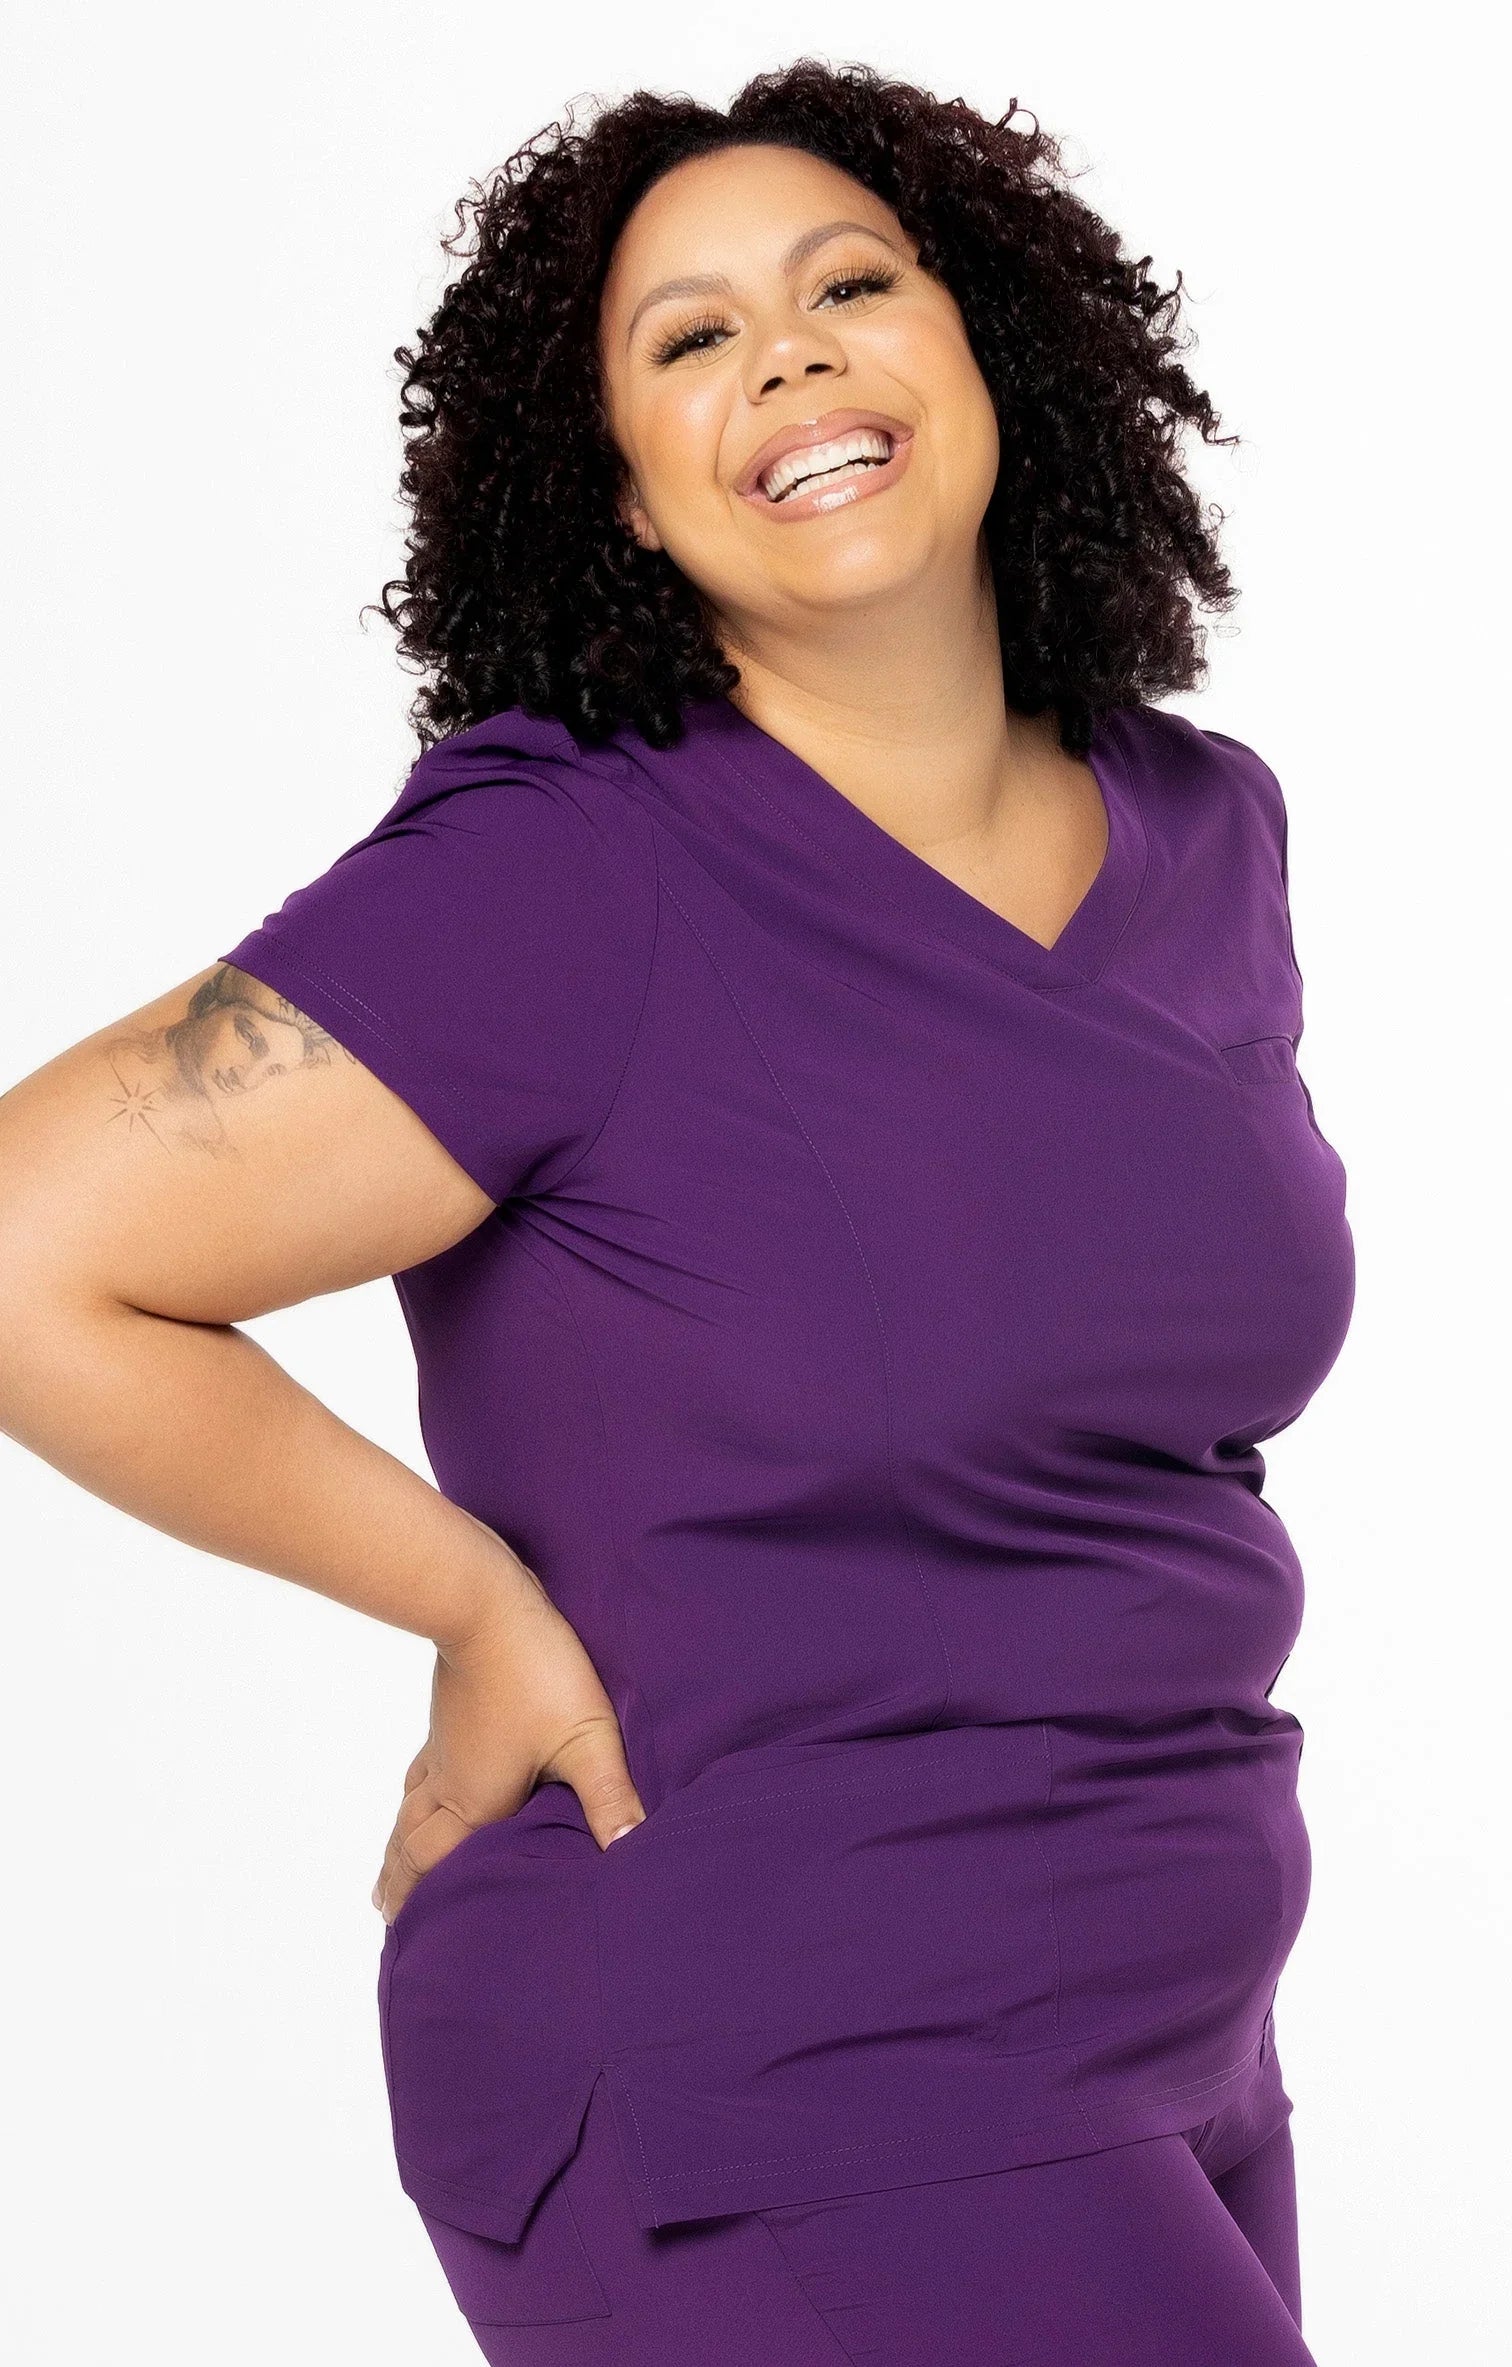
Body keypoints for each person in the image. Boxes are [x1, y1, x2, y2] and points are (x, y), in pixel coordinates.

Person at [0, 59, 1356, 2367]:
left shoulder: (1203, 825)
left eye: (851, 287)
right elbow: (36, 1246)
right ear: (621, 491)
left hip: (1175, 2021)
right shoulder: (567, 874)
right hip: (778, 2049)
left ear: (983, 343)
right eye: (694, 338)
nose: (792, 358)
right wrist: (471, 1596)